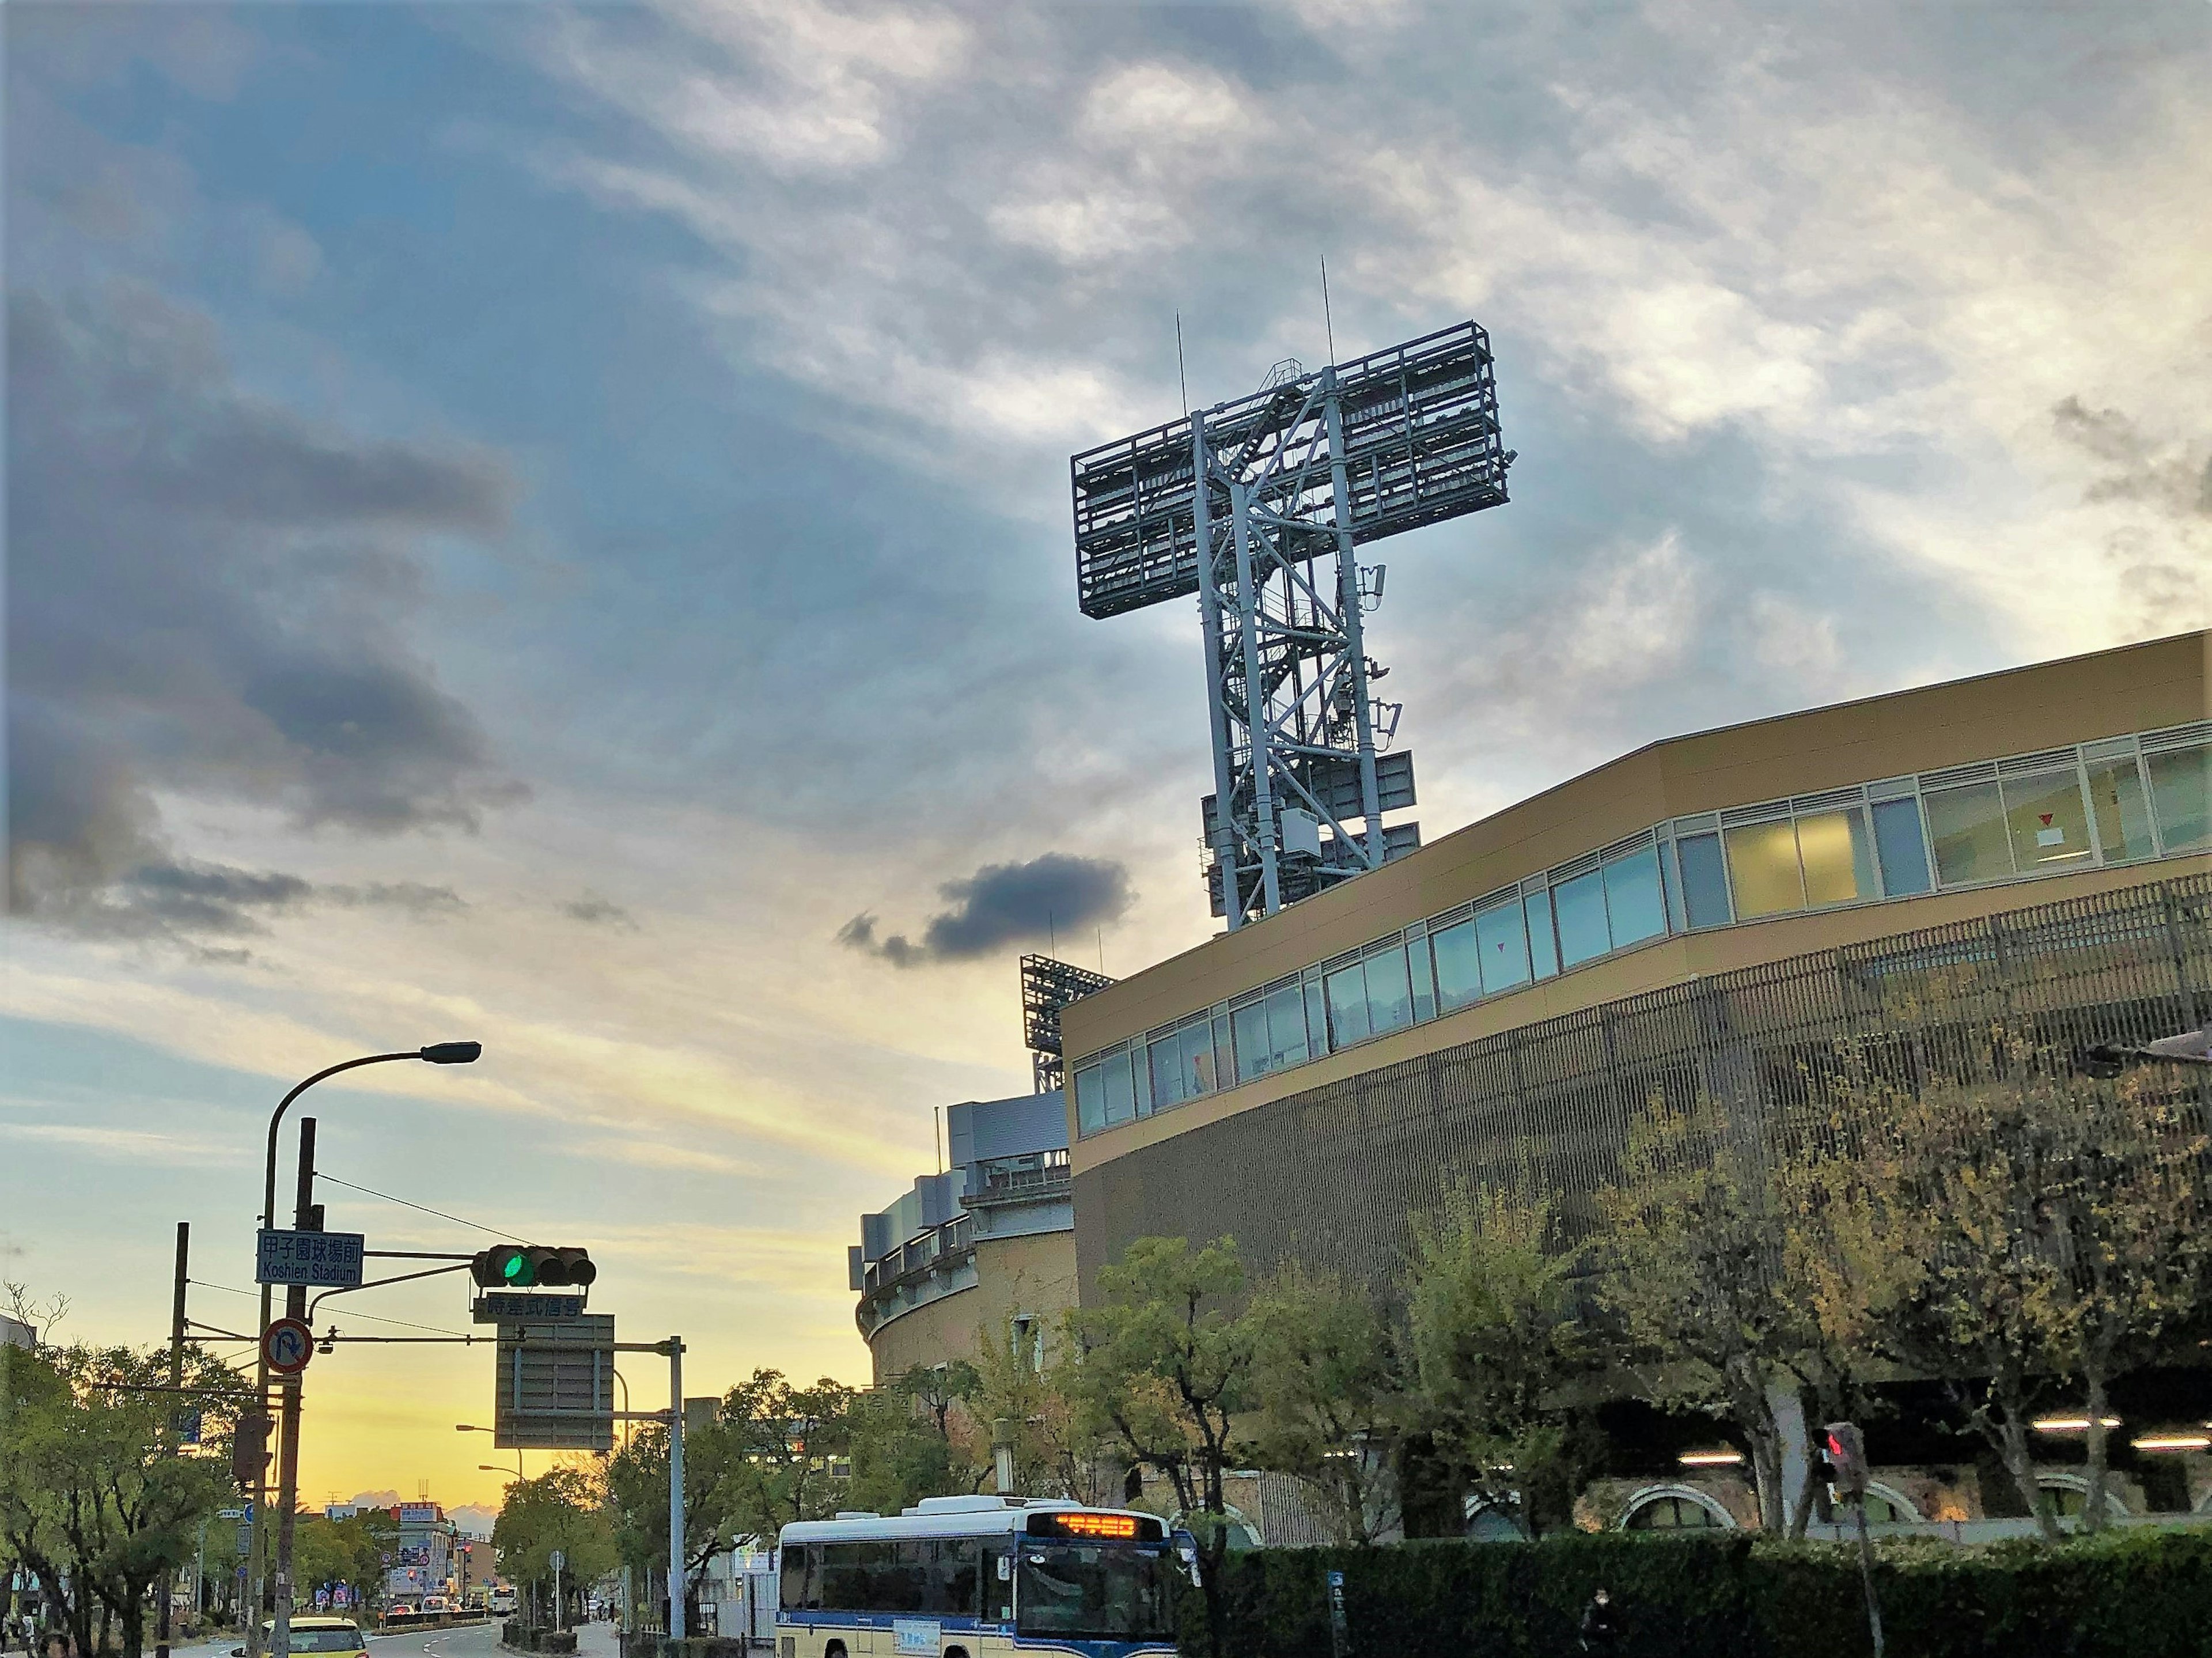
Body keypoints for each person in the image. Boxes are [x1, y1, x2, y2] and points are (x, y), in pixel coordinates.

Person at [1580, 1586, 1621, 1652]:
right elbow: (1586, 1628)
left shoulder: (1612, 1610)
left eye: (1604, 1595)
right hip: (1594, 1644)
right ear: (1596, 1597)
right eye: (1600, 1595)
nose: (1602, 1597)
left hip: (1609, 1644)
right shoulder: (1591, 1611)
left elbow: (1617, 1626)